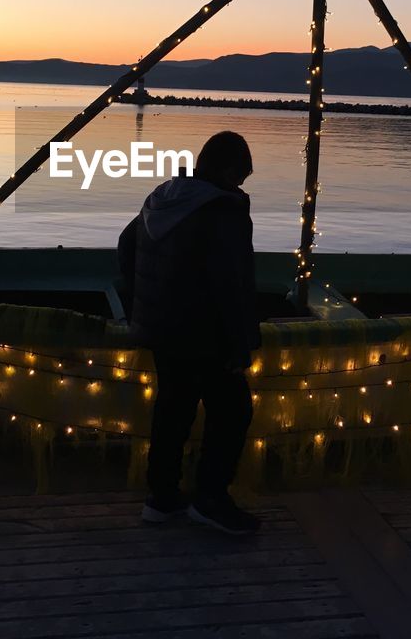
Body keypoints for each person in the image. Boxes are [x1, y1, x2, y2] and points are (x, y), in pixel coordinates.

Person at [118, 131, 261, 535]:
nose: (241, 186)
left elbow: (126, 246)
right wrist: (241, 345)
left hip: (163, 330)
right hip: (205, 333)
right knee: (233, 412)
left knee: (173, 410)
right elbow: (230, 283)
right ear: (229, 170)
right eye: (240, 177)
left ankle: (161, 498)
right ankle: (210, 500)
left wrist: (139, 308)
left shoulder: (163, 199)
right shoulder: (221, 211)